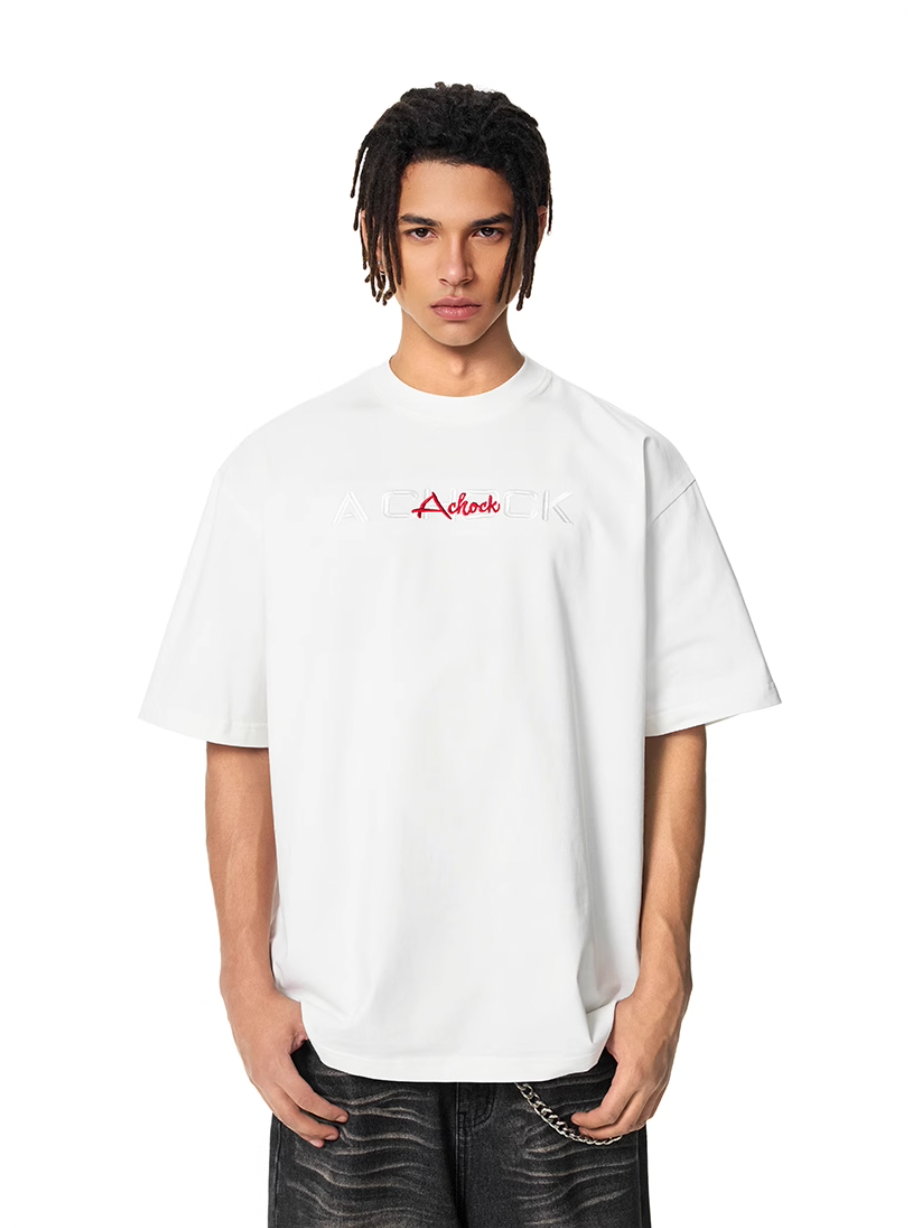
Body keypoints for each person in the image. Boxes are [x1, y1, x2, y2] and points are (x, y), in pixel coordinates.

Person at [138, 81, 782, 1227]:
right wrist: (242, 977)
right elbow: (238, 736)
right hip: (344, 1048)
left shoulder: (625, 463)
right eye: (420, 231)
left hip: (570, 1041)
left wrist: (664, 977)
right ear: (377, 234)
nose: (453, 268)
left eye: (485, 231)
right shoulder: (279, 468)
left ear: (530, 231)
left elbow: (674, 734)